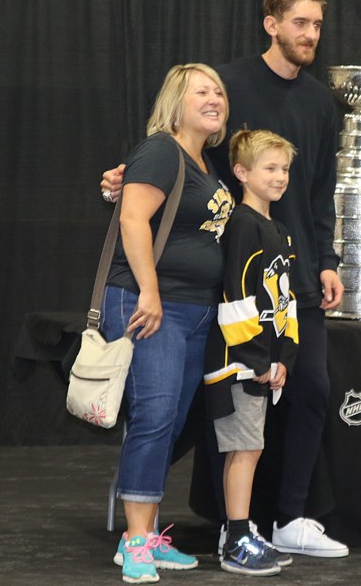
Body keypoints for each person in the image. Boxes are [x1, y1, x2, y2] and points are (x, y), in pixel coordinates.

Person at [102, 0, 348, 558]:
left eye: (317, 24)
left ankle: (273, 519)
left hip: (253, 292)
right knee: (175, 413)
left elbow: (317, 194)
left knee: (291, 393)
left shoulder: (306, 109)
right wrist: (124, 180)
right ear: (272, 24)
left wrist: (327, 260)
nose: (310, 33)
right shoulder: (196, 118)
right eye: (300, 23)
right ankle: (166, 532)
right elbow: (156, 184)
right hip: (193, 296)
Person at [105, 63, 234, 583]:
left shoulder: (206, 163)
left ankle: (143, 536)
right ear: (175, 102)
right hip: (151, 304)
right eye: (201, 91)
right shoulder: (161, 150)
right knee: (156, 418)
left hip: (195, 311)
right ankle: (136, 542)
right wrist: (151, 292)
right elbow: (132, 218)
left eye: (219, 92)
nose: (214, 98)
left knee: (170, 424)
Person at [204, 129, 299, 576]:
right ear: (241, 173)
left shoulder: (278, 229)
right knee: (243, 448)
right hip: (238, 363)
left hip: (262, 362)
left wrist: (285, 357)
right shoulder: (242, 223)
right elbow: (237, 294)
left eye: (284, 169)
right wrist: (258, 359)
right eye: (270, 168)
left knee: (251, 447)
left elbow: (285, 301)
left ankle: (239, 530)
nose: (280, 177)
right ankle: (236, 539)